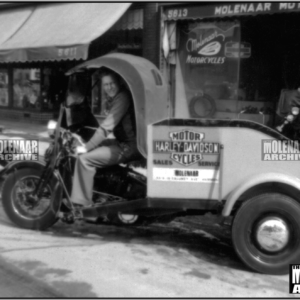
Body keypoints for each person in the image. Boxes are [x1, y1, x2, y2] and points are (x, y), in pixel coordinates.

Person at [70, 69, 139, 210]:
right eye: (106, 84)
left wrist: (87, 147)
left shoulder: (122, 98)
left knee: (84, 159)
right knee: (95, 146)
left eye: (112, 83)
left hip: (128, 147)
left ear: (118, 82)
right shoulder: (117, 97)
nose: (109, 87)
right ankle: (98, 192)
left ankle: (82, 204)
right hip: (123, 142)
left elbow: (106, 128)